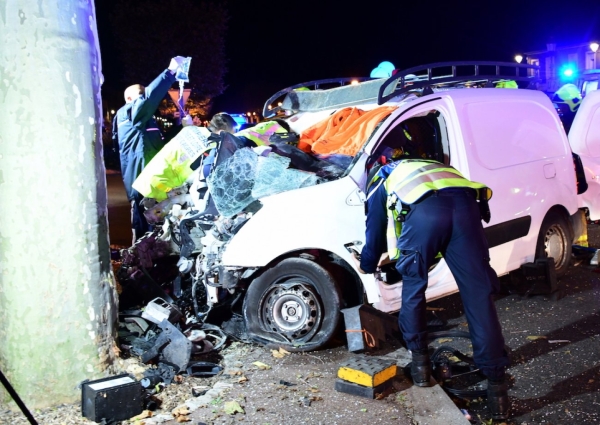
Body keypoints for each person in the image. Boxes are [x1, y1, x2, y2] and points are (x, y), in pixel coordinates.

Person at [352, 157, 510, 421]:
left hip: (427, 215)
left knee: (414, 288)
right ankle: (497, 388)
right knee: (478, 296)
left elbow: (375, 232)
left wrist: (367, 264)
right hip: (466, 209)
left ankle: (421, 368)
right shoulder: (433, 165)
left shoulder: (382, 177)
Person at [112, 56, 187, 243]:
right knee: (143, 232)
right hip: (142, 185)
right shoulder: (127, 113)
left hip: (153, 184)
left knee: (157, 232)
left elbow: (160, 147)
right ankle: (139, 264)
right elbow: (146, 102)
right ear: (130, 99)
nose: (146, 101)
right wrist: (169, 74)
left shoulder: (143, 121)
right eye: (141, 96)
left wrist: (180, 126)